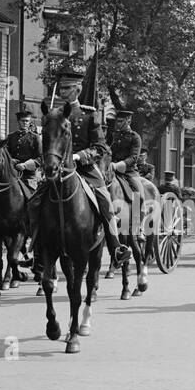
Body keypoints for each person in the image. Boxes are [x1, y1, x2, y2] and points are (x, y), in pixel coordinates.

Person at [28, 62, 130, 267]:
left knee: (105, 202)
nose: (63, 91)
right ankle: (38, 251)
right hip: (59, 169)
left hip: (85, 168)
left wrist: (79, 156)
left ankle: (115, 247)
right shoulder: (54, 115)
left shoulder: (89, 115)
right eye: (62, 88)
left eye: (67, 88)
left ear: (77, 89)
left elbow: (100, 147)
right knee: (34, 202)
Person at [3, 108, 41, 192]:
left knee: (30, 199)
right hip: (12, 175)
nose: (25, 123)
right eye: (22, 121)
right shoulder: (11, 137)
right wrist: (10, 161)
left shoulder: (35, 138)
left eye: (27, 121)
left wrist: (25, 165)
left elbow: (40, 159)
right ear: (18, 121)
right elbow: (6, 155)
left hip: (28, 177)